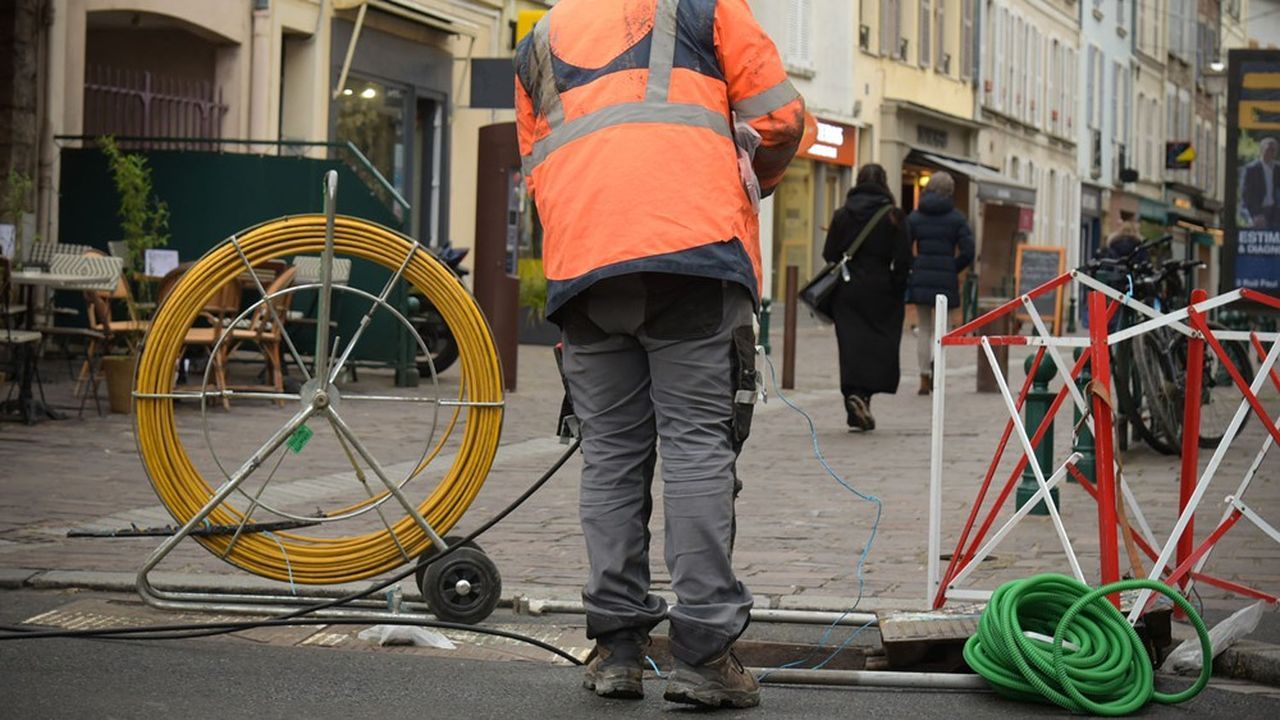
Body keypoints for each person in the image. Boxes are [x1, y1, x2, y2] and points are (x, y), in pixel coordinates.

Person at [514, 0, 804, 709]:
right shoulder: (705, 8)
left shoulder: (540, 38)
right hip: (693, 254)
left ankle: (616, 649)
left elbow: (539, 159)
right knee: (698, 448)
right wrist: (754, 176)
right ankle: (704, 653)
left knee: (610, 456)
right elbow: (782, 120)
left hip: (584, 266)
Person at [822, 163, 912, 431]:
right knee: (877, 346)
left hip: (848, 290)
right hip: (882, 289)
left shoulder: (842, 214)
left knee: (851, 346)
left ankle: (853, 398)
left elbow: (829, 254)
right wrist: (897, 286)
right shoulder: (893, 215)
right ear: (884, 182)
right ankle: (864, 398)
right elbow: (904, 258)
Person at [905, 172, 975, 395]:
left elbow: (903, 246)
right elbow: (969, 251)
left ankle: (924, 376)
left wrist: (916, 265)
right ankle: (938, 370)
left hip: (922, 275)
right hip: (945, 277)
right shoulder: (957, 218)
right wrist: (952, 267)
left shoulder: (915, 217)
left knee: (924, 327)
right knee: (941, 329)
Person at [1241, 137, 1279, 229]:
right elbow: (1245, 196)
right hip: (1259, 211)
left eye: (1273, 150)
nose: (1271, 153)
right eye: (1268, 149)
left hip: (1275, 211)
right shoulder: (1251, 169)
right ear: (1262, 150)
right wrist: (1254, 215)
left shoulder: (1278, 169)